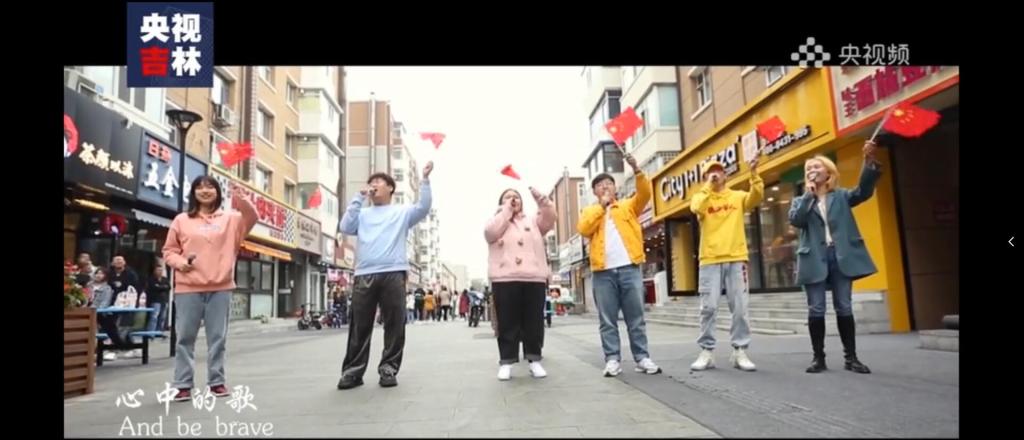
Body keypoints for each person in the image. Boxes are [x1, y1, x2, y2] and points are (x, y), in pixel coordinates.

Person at [336, 162, 433, 390]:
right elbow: (345, 227)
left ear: (390, 188)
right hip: (365, 273)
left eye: (378, 182)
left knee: (394, 324)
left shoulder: (402, 212)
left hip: (393, 273)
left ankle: (388, 368)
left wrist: (425, 179)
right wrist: (358, 199)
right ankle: (352, 372)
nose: (373, 185)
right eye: (371, 182)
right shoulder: (362, 213)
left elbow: (423, 207)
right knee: (360, 325)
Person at [162, 175, 258, 402]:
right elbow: (169, 251)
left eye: (210, 187)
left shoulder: (231, 219)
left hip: (220, 287)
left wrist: (241, 197)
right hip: (188, 287)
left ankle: (217, 382)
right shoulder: (181, 220)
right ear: (193, 192)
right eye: (200, 187)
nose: (205, 191)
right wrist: (181, 263)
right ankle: (183, 384)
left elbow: (252, 216)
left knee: (217, 338)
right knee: (185, 338)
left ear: (217, 192)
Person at [789, 141, 881, 375]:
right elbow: (797, 220)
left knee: (844, 306)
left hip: (840, 256)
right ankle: (818, 358)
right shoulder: (800, 201)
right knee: (816, 308)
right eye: (808, 168)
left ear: (828, 172)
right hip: (813, 258)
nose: (812, 170)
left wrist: (868, 161)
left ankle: (851, 358)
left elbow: (863, 192)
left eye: (816, 167)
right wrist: (809, 196)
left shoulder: (841, 196)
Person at [577, 152, 662, 377]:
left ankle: (642, 358)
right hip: (602, 272)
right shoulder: (590, 211)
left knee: (636, 317)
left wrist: (637, 170)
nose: (605, 187)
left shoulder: (627, 206)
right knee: (607, 320)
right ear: (595, 191)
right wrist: (602, 206)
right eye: (600, 185)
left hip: (629, 267)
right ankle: (612, 359)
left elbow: (645, 194)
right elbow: (584, 228)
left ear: (616, 188)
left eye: (609, 183)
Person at [688, 153, 764, 372]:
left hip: (736, 257)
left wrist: (753, 173)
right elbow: (696, 208)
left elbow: (756, 197)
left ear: (725, 174)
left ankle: (740, 350)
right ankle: (707, 351)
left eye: (718, 171)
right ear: (705, 176)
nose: (715, 174)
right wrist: (707, 187)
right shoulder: (701, 197)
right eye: (710, 172)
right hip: (709, 259)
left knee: (740, 307)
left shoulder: (737, 197)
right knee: (708, 307)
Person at [485, 186, 556, 381]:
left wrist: (542, 200)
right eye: (508, 197)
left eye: (516, 196)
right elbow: (490, 233)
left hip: (533, 277)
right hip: (505, 277)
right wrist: (506, 211)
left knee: (534, 322)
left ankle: (534, 360)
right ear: (501, 202)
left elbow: (550, 219)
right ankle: (506, 362)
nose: (513, 199)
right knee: (507, 322)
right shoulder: (496, 220)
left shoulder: (533, 221)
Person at [144, 265, 171, 333]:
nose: (160, 272)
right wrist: (163, 287)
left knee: (162, 317)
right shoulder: (151, 279)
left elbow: (169, 287)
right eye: (158, 270)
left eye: (161, 270)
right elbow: (154, 287)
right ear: (154, 271)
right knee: (154, 316)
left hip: (164, 300)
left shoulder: (165, 279)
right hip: (155, 300)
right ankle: (151, 332)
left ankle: (159, 332)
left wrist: (160, 287)